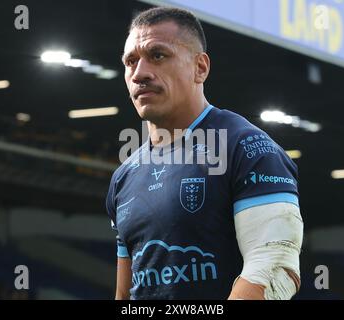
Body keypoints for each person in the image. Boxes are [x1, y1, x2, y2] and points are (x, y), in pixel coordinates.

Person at [106, 7, 303, 300]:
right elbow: (126, 294)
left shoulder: (247, 148)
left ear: (200, 68)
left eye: (158, 55)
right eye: (130, 61)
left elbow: (273, 267)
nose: (140, 73)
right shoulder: (123, 177)